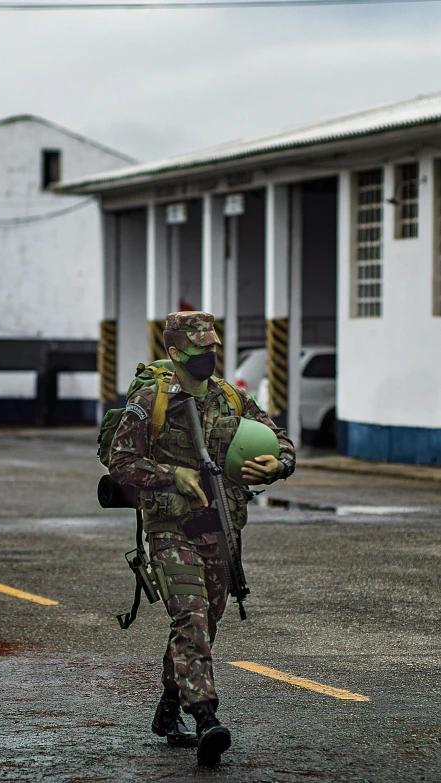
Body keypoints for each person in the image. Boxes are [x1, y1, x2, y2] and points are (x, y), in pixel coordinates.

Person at [109, 311, 296, 765]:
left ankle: (168, 708)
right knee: (190, 617)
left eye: (213, 349)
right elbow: (120, 461)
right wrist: (173, 474)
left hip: (220, 527)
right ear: (175, 353)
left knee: (205, 622)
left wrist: (280, 464)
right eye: (199, 351)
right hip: (170, 527)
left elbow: (280, 441)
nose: (208, 357)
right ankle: (206, 717)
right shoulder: (152, 400)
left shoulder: (230, 397)